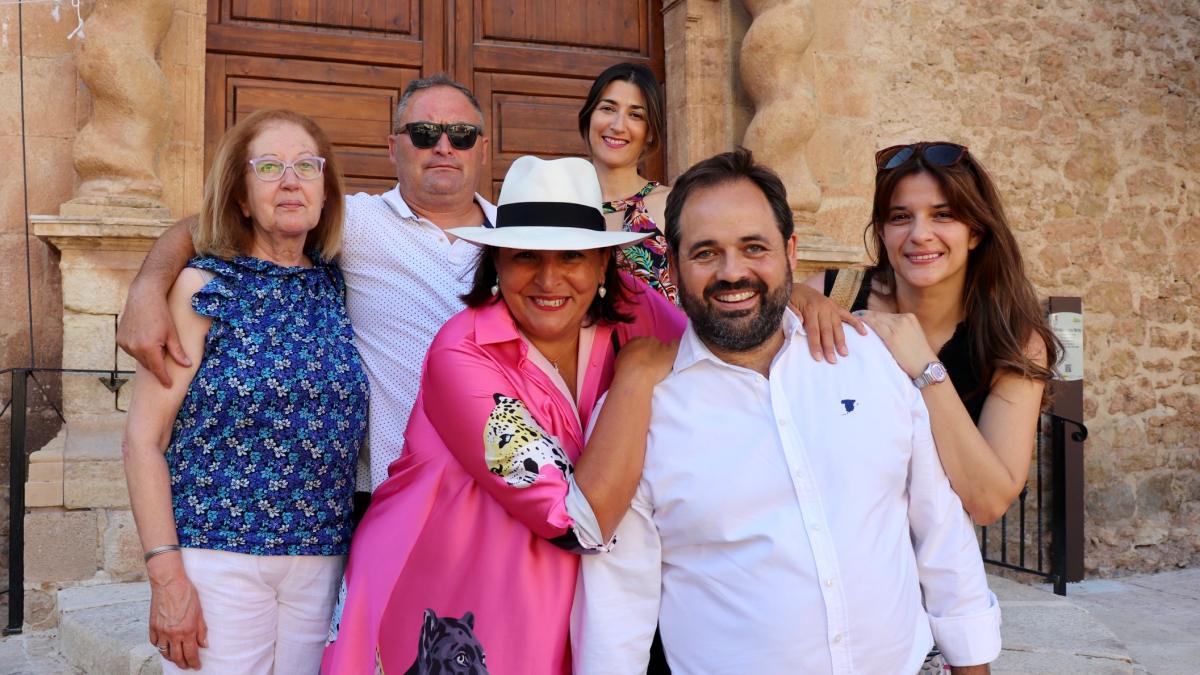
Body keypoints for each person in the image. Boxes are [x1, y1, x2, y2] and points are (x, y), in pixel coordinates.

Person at [573, 148, 1001, 674]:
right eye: (706, 252)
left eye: (755, 247)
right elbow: (619, 601)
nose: (734, 272)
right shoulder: (641, 414)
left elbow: (940, 531)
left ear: (791, 253)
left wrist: (973, 664)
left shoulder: (870, 361)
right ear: (675, 263)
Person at [322, 156, 683, 674]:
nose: (548, 278)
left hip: (557, 591)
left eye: (572, 256)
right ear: (497, 262)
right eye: (526, 257)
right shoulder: (463, 354)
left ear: (603, 266)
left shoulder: (633, 308)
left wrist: (802, 303)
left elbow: (724, 348)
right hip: (441, 584)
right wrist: (636, 378)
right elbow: (575, 522)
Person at [117, 74, 495, 494]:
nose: (443, 146)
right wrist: (147, 287)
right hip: (396, 491)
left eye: (461, 134)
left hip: (502, 491)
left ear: (482, 148)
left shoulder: (524, 241)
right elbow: (204, 226)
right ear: (393, 147)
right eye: (424, 133)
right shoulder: (353, 224)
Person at [121, 109, 369, 673]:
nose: (290, 180)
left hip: (322, 556)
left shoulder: (338, 284)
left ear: (326, 191)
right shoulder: (203, 288)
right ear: (240, 196)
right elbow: (143, 440)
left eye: (307, 166)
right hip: (217, 557)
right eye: (269, 167)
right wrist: (166, 575)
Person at [794, 142, 1058, 526]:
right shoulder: (834, 295)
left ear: (975, 232)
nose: (920, 234)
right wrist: (794, 294)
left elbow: (988, 502)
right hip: (828, 545)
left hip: (931, 568)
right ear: (882, 232)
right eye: (900, 217)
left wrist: (925, 368)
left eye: (943, 215)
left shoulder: (1013, 340)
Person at [579, 62, 675, 302]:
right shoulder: (557, 203)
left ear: (650, 132)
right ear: (589, 116)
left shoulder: (671, 205)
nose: (617, 126)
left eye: (635, 115)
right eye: (608, 108)